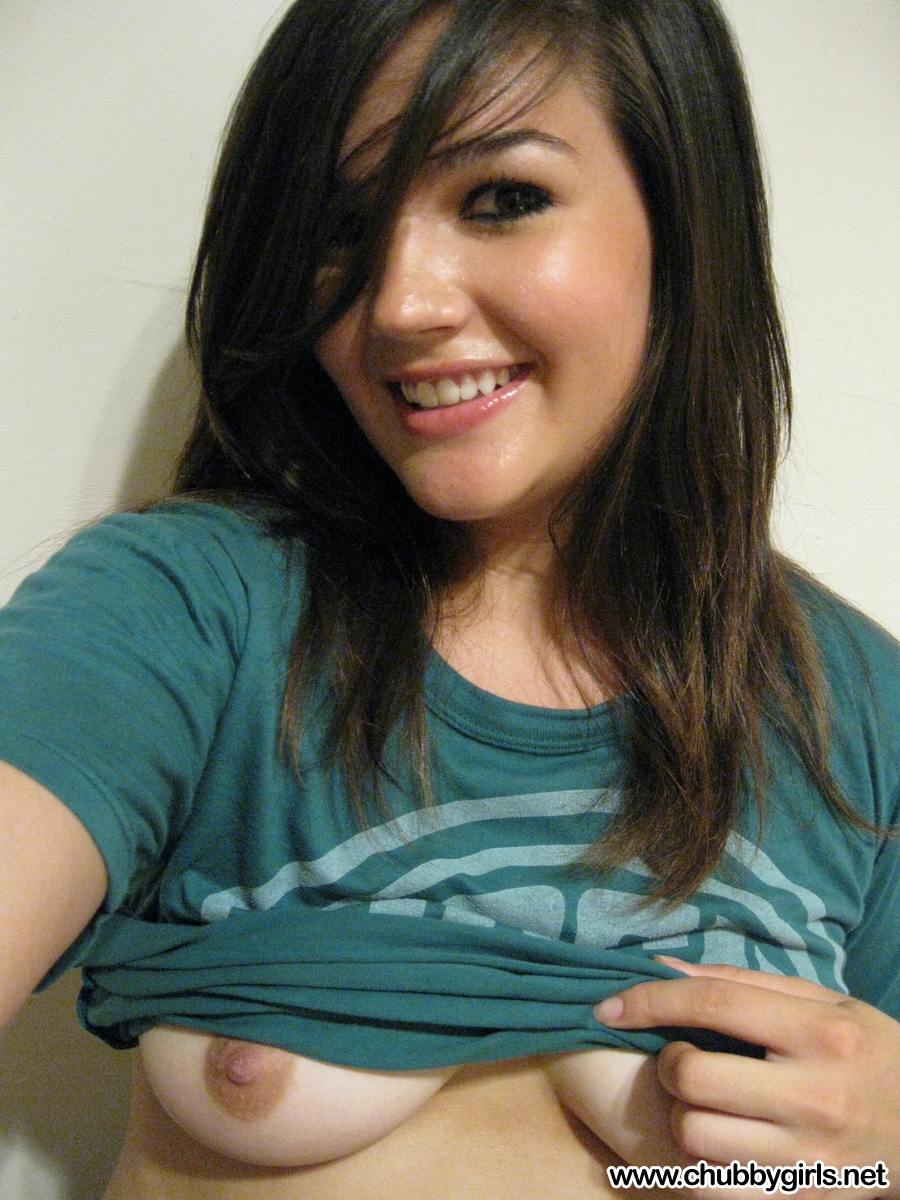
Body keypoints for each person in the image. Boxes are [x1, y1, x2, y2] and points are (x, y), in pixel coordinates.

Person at [0, 0, 898, 1196]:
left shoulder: (865, 711)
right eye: (341, 229)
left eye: (501, 197)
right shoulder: (186, 612)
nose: (400, 303)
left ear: (683, 223)